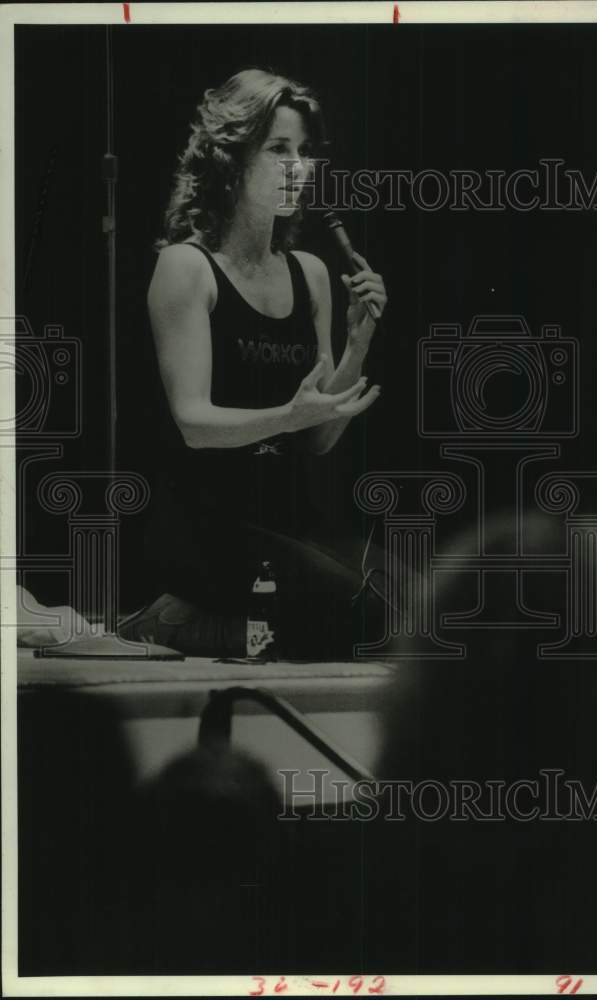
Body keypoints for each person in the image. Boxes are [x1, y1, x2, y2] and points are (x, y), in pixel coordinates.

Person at [123, 68, 389, 660]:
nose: (299, 166)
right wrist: (288, 416)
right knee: (365, 616)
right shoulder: (187, 269)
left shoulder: (311, 274)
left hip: (284, 523)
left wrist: (357, 344)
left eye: (304, 152)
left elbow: (317, 436)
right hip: (202, 530)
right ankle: (167, 623)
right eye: (278, 150)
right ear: (230, 159)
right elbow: (194, 423)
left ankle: (211, 627)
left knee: (415, 606)